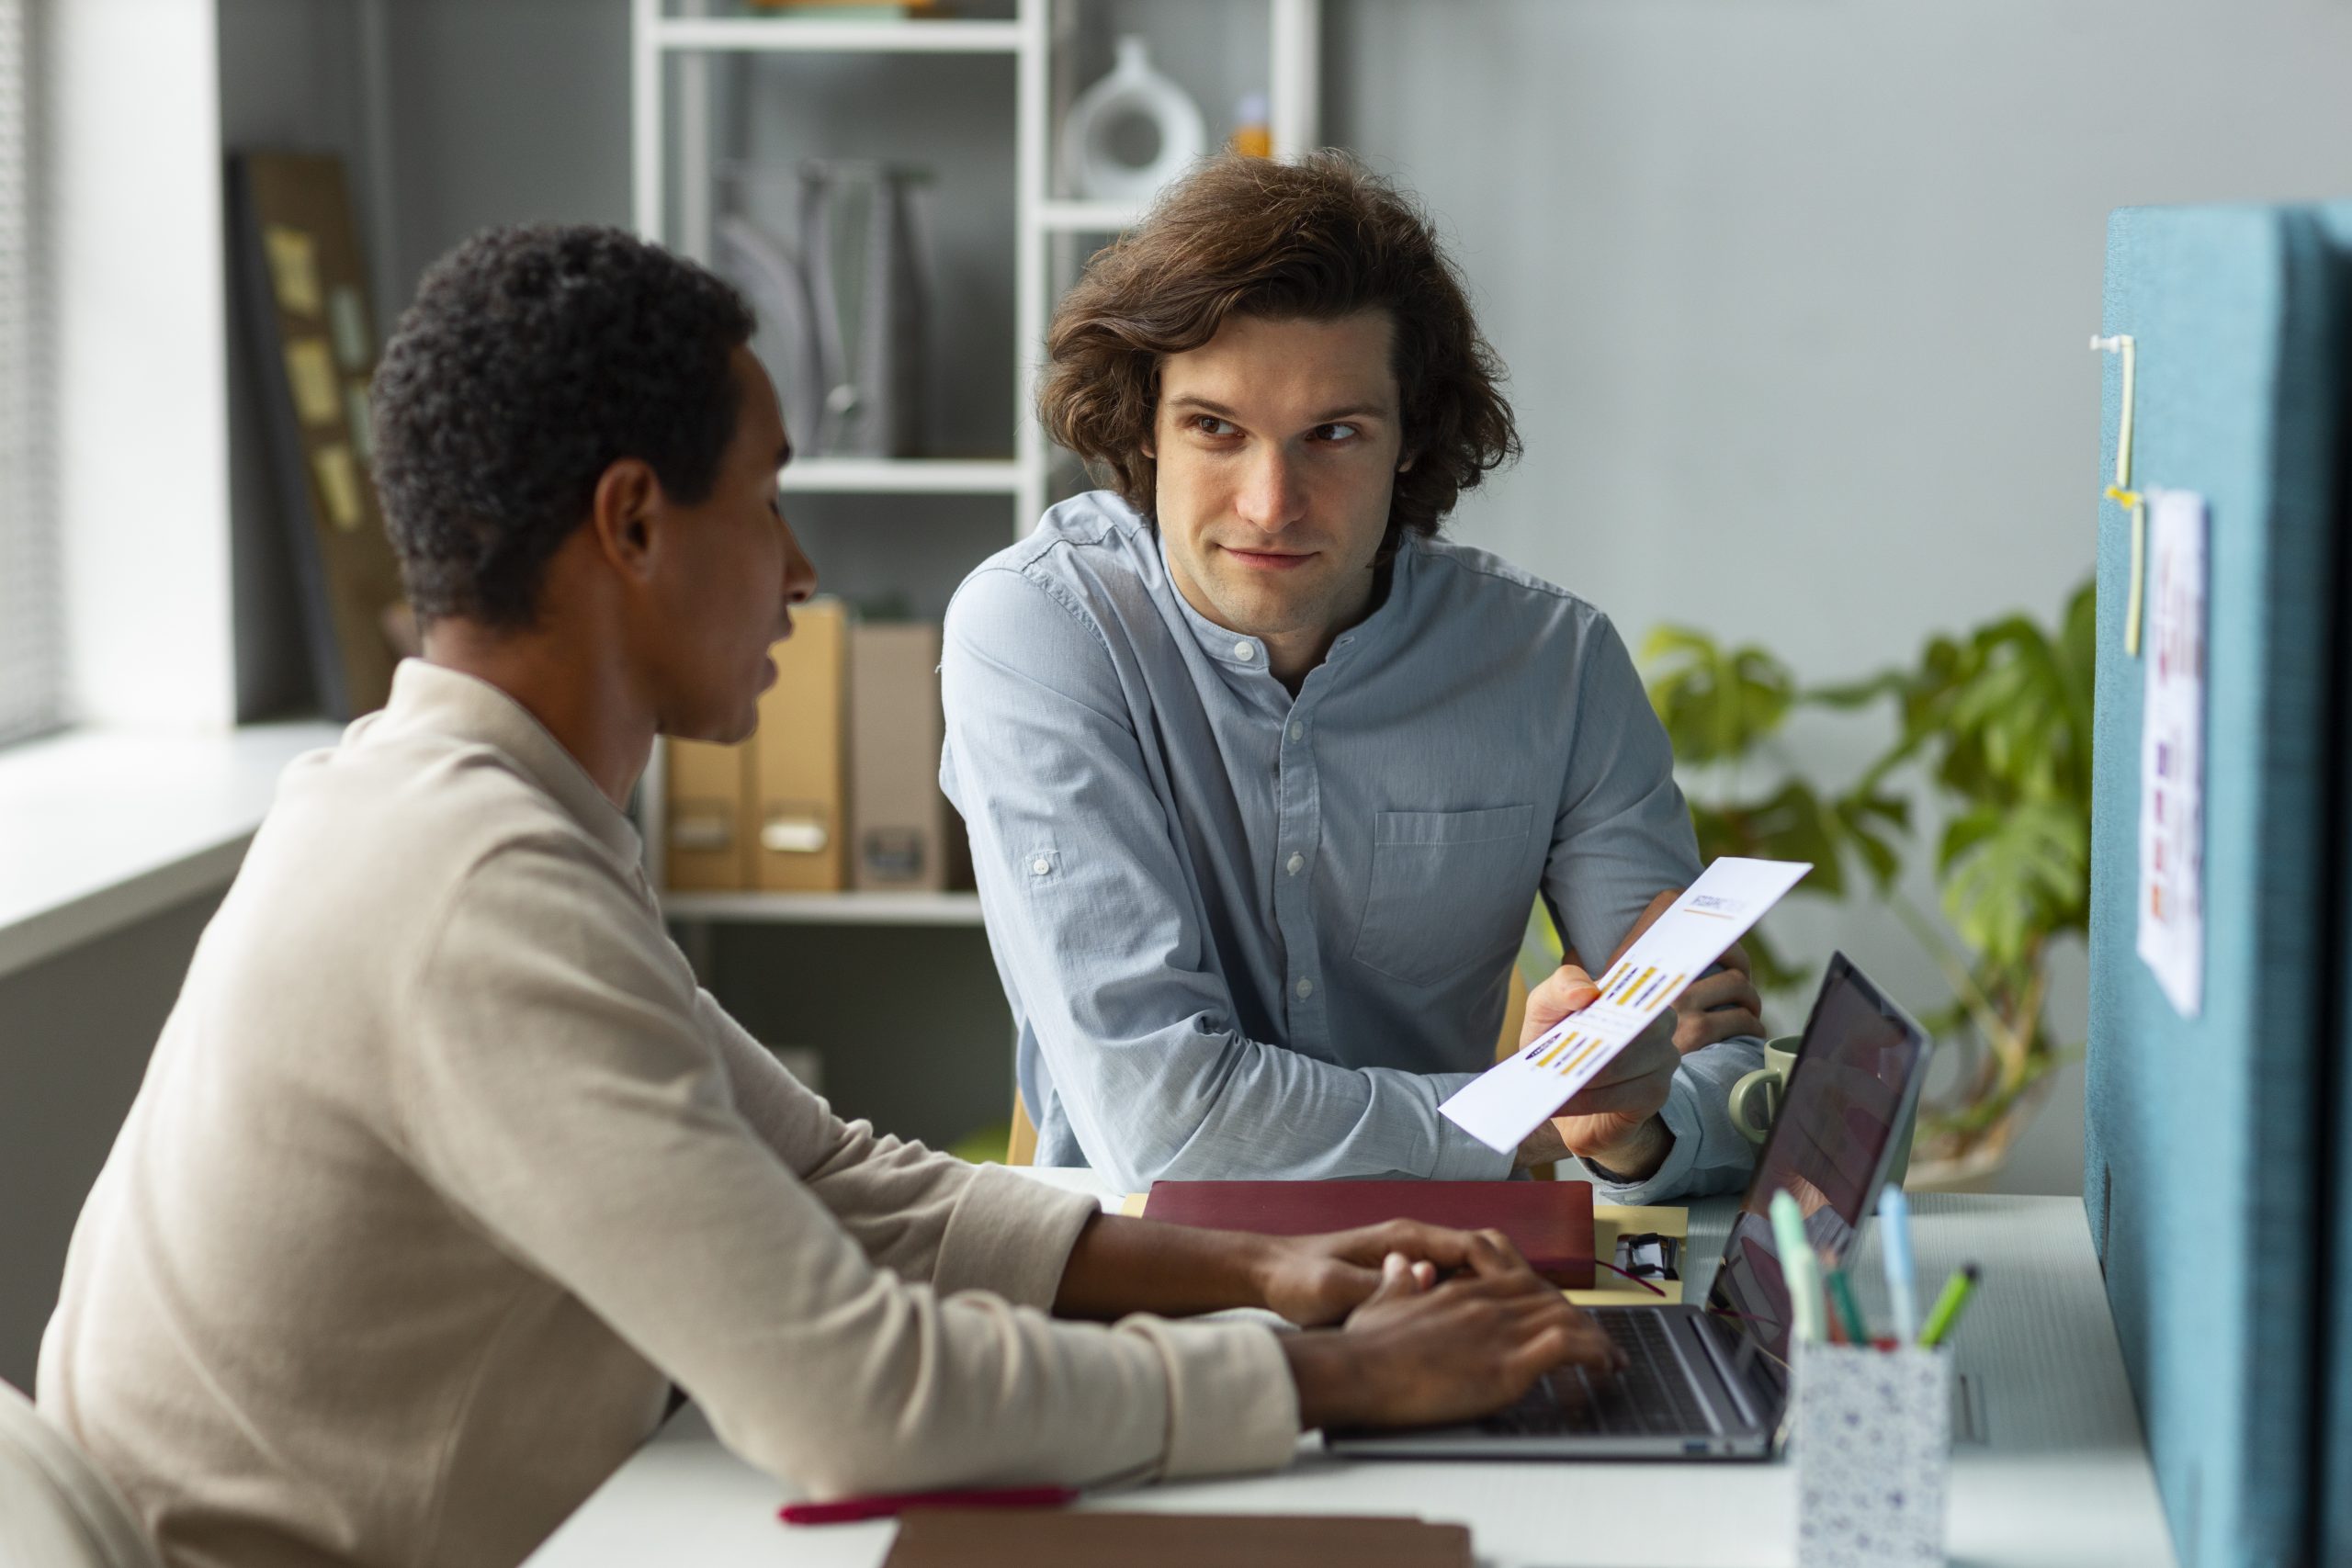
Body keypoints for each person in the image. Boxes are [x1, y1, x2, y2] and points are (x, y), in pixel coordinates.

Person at [37, 225, 1617, 1568]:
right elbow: (852, 1403)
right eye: (770, 499)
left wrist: (1273, 1273)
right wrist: (1335, 1383)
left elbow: (844, 1182)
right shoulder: (467, 888)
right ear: (636, 525)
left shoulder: (464, 817)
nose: (801, 571)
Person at [941, 153, 1766, 1200]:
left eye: (1332, 434)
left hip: (1460, 1284)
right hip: (1148, 1307)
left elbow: (1716, 1077)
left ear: (1411, 442)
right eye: (1215, 429)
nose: (1269, 503)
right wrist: (1515, 1116)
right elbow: (1164, 1125)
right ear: (1142, 427)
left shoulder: (1555, 667)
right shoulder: (1039, 628)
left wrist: (1623, 1133)